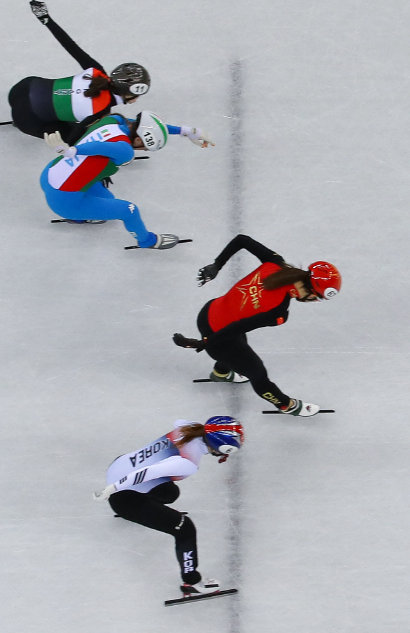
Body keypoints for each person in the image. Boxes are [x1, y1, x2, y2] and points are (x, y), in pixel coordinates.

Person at [173, 235, 341, 414]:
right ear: (312, 292)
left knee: (239, 346)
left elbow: (241, 240)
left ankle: (221, 373)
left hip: (208, 311)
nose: (313, 301)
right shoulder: (279, 313)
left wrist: (217, 265)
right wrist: (206, 342)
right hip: (219, 336)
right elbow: (237, 328)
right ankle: (286, 405)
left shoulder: (276, 263)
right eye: (317, 299)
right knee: (258, 374)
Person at [93, 416, 243, 596]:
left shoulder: (187, 428)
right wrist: (113, 488)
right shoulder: (187, 464)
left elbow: (178, 421)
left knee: (170, 493)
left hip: (118, 465)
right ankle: (192, 582)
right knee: (185, 528)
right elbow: (148, 472)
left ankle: (143, 506)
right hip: (124, 498)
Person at [40, 109, 213, 249]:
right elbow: (99, 147)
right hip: (64, 202)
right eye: (145, 147)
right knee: (129, 211)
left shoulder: (115, 120)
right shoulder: (125, 151)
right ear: (138, 140)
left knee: (108, 200)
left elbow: (150, 127)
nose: (144, 151)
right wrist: (72, 151)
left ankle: (80, 215)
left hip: (48, 174)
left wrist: (188, 131)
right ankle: (147, 241)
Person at [7, 0, 152, 140]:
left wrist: (46, 18)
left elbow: (70, 45)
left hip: (22, 88)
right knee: (81, 134)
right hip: (26, 119)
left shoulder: (96, 71)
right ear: (128, 95)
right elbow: (73, 141)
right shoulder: (101, 112)